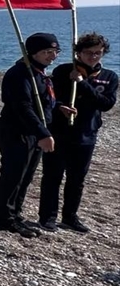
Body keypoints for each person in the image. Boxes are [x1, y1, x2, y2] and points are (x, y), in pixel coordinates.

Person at [39, 33, 114, 233]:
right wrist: (61, 107)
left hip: (86, 136)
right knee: (52, 176)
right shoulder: (64, 71)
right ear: (78, 53)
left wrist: (82, 83)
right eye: (88, 53)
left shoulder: (109, 77)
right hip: (60, 132)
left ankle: (70, 217)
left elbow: (106, 104)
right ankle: (47, 217)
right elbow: (49, 100)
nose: (93, 57)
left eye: (98, 53)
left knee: (77, 179)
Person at [0, 33, 63, 238]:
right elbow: (23, 107)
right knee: (13, 175)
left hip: (33, 133)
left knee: (26, 176)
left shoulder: (39, 73)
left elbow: (43, 101)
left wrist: (59, 108)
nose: (53, 56)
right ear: (32, 53)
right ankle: (5, 219)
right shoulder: (20, 74)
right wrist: (43, 133)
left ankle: (15, 214)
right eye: (47, 52)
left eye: (55, 52)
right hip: (16, 132)